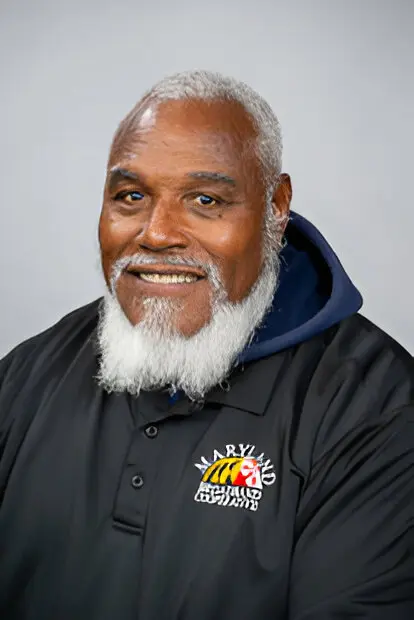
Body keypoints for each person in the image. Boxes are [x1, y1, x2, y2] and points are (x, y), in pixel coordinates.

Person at [0, 70, 413, 620]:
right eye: (130, 196)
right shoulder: (26, 376)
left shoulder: (377, 413)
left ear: (276, 206)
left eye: (205, 200)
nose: (158, 232)